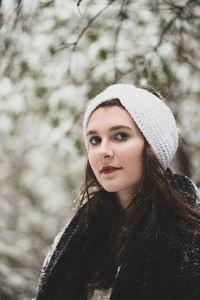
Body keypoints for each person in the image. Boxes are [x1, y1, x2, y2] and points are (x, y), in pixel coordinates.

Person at [34, 84, 200, 300]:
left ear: (154, 146)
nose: (103, 151)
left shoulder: (192, 234)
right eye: (94, 140)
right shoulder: (73, 238)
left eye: (120, 136)